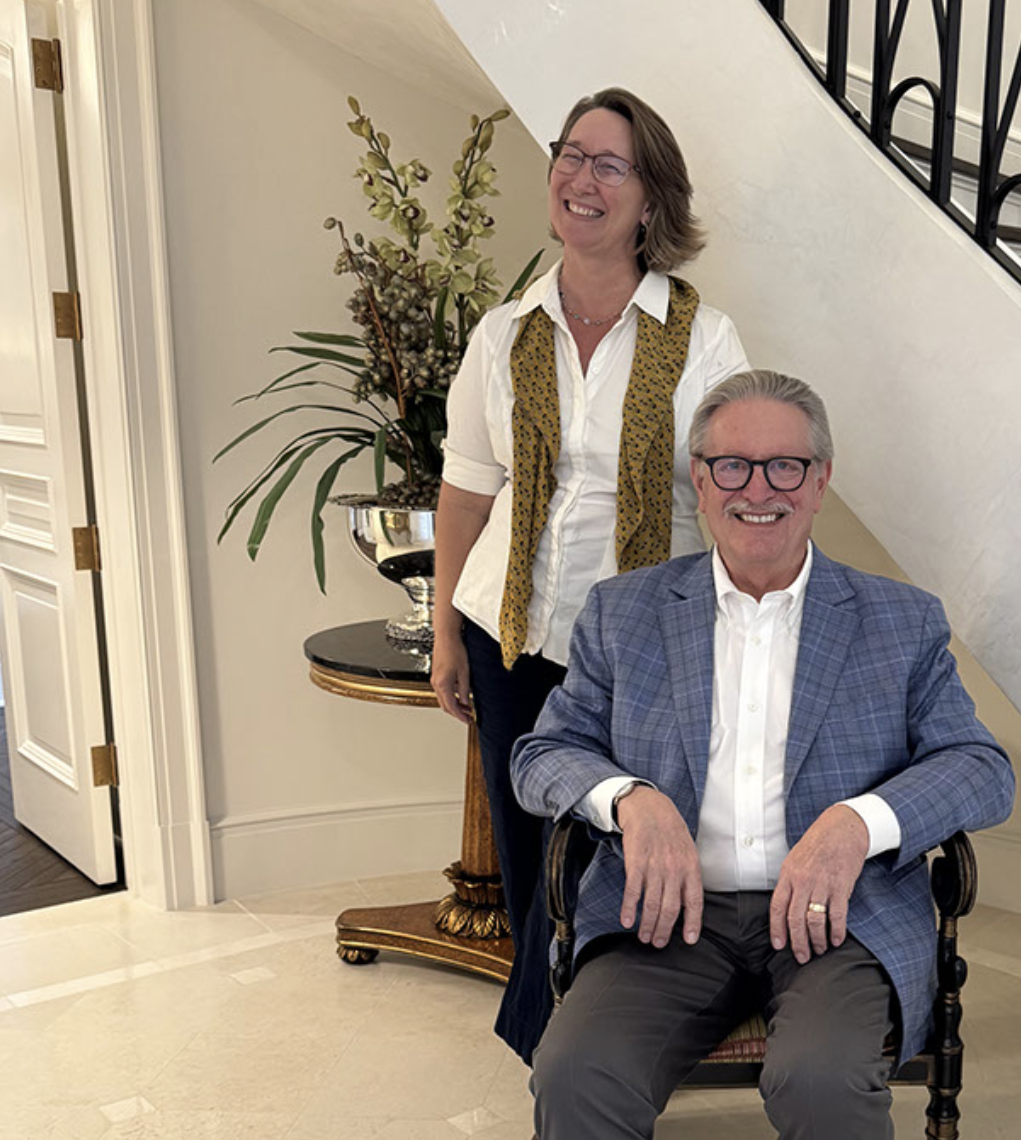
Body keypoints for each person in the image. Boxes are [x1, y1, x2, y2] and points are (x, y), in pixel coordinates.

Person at [512, 370, 1016, 1139]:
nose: (760, 489)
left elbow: (982, 769)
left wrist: (857, 824)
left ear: (820, 482)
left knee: (821, 1082)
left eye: (786, 465)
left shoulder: (900, 621)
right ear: (702, 482)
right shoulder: (624, 611)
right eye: (733, 466)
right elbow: (544, 752)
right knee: (577, 1071)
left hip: (838, 924)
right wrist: (629, 800)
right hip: (662, 920)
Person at [430, 87, 749, 1064]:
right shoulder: (505, 333)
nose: (582, 178)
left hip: (643, 653)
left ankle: (583, 1055)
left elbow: (733, 502)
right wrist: (448, 631)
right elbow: (468, 492)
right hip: (510, 633)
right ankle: (566, 1068)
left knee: (616, 859)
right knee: (530, 859)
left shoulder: (703, 340)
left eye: (610, 164)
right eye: (571, 155)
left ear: (651, 199)